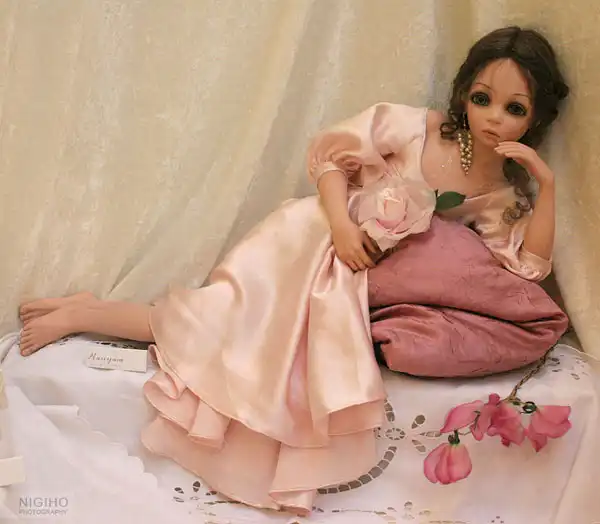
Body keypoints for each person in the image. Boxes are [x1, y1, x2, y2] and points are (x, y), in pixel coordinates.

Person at [17, 26, 569, 514]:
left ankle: (88, 310)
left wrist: (544, 185)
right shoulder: (418, 128)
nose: (493, 117)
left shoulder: (500, 194)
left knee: (255, 347)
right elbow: (331, 158)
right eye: (482, 98)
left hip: (357, 284)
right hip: (310, 239)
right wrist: (342, 225)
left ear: (537, 117)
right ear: (464, 93)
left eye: (514, 108)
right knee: (219, 321)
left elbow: (526, 267)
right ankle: (85, 314)